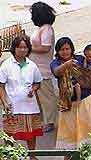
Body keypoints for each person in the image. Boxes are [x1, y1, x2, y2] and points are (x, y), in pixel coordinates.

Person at [50, 37, 91, 160]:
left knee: (88, 130)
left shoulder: (80, 59)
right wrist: (67, 64)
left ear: (72, 49)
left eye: (67, 49)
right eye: (62, 49)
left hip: (86, 100)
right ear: (58, 51)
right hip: (68, 102)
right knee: (68, 132)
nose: (65, 52)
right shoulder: (55, 63)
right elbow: (57, 72)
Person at [0, 35, 43, 160]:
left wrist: (33, 89)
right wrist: (4, 102)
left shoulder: (32, 65)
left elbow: (38, 82)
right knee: (10, 133)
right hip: (12, 106)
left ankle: (32, 155)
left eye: (25, 47)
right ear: (14, 48)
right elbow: (1, 86)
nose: (23, 50)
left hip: (30, 106)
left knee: (31, 133)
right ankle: (8, 158)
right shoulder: (6, 65)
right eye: (20, 47)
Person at [29, 1, 57, 133]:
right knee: (38, 96)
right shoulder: (41, 29)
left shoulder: (47, 29)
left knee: (47, 97)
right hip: (36, 68)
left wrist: (29, 49)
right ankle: (42, 121)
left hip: (43, 68)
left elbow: (46, 48)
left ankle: (50, 121)